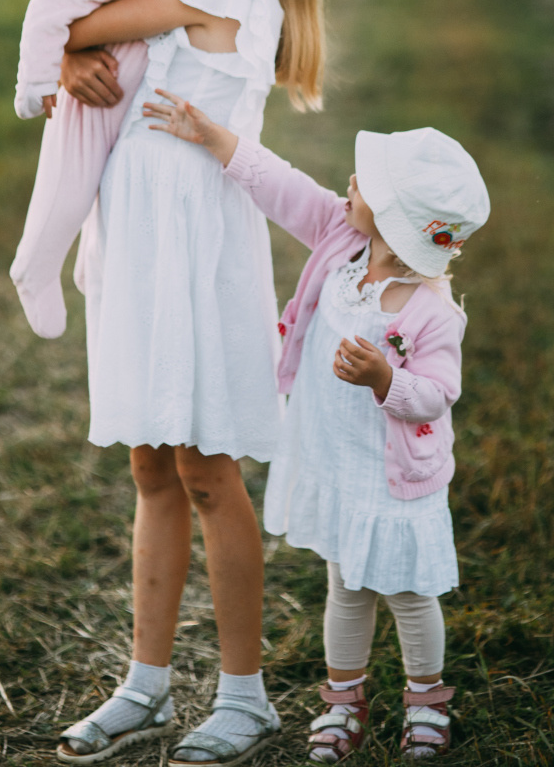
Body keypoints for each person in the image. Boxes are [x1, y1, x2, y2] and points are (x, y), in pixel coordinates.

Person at [54, 0, 326, 766]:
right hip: (140, 244)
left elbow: (79, 18)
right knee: (150, 467)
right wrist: (79, 64)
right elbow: (99, 43)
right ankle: (147, 684)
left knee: (209, 472)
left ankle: (245, 698)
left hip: (194, 251)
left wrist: (70, 47)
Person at [143, 90, 490, 761]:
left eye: (369, 184)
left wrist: (385, 380)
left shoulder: (430, 310)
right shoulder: (342, 236)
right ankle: (343, 700)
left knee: (408, 594)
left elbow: (439, 393)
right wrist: (215, 138)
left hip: (394, 480)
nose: (351, 181)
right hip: (337, 464)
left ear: (396, 220)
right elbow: (281, 186)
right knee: (346, 586)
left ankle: (426, 702)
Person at [11, 0, 201, 338]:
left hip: (127, 104)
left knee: (113, 189)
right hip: (88, 102)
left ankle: (88, 266)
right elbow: (47, 12)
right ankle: (34, 267)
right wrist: (37, 82)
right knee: (69, 190)